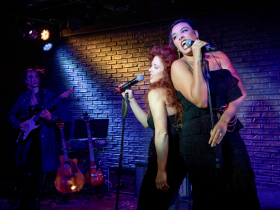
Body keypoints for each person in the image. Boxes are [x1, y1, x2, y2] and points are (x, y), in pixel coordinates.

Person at [169, 18, 260, 210]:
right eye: (175, 37)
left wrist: (225, 119)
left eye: (184, 31)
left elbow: (240, 93)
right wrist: (197, 58)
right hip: (198, 138)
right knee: (210, 196)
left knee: (243, 187)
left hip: (228, 130)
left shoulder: (219, 57)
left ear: (196, 35)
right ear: (176, 45)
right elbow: (201, 100)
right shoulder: (179, 66)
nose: (181, 37)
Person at [120, 46, 187, 210]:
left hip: (164, 163)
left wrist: (161, 171)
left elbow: (162, 133)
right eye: (151, 65)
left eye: (155, 67)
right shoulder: (174, 92)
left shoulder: (157, 93)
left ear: (168, 69)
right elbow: (146, 123)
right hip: (178, 162)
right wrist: (131, 99)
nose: (149, 69)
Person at [8, 67, 61, 210]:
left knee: (40, 168)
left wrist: (51, 118)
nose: (34, 79)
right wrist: (19, 124)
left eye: (36, 76)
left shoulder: (48, 95)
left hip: (43, 137)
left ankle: (36, 200)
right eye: (30, 77)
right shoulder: (22, 97)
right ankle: (22, 198)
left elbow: (58, 118)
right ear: (26, 81)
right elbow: (11, 114)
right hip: (26, 137)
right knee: (22, 167)